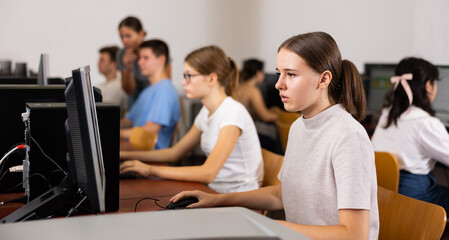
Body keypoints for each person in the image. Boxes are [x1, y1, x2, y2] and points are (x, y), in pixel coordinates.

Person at [170, 32, 379, 239]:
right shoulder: (299, 127)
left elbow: (354, 234)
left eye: (291, 74)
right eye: (279, 73)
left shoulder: (348, 136)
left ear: (324, 79)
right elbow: (281, 195)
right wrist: (217, 199)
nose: (279, 83)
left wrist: (271, 226)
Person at [120, 45, 264, 194]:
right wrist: (124, 155)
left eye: (189, 76)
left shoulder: (232, 113)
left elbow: (208, 173)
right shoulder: (206, 111)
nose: (184, 82)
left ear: (212, 79)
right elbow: (175, 153)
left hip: (238, 199)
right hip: (216, 193)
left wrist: (150, 169)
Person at [371, 57, 449, 212]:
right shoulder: (425, 122)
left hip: (384, 195)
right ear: (428, 85)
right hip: (413, 197)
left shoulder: (386, 114)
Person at [120, 39, 180, 150]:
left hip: (149, 156)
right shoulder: (148, 91)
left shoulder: (164, 90)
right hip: (136, 149)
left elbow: (151, 129)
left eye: (145, 58)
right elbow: (129, 120)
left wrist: (116, 133)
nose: (139, 62)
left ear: (161, 60)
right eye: (140, 58)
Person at [235, 59, 281, 153]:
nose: (263, 76)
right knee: (273, 141)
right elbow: (265, 117)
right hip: (244, 136)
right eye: (262, 72)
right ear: (258, 73)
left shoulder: (239, 87)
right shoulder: (253, 91)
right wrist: (284, 117)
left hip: (237, 134)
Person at [97, 45, 128, 118]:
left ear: (114, 64)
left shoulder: (118, 85)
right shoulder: (101, 85)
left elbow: (103, 111)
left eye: (102, 60)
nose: (98, 63)